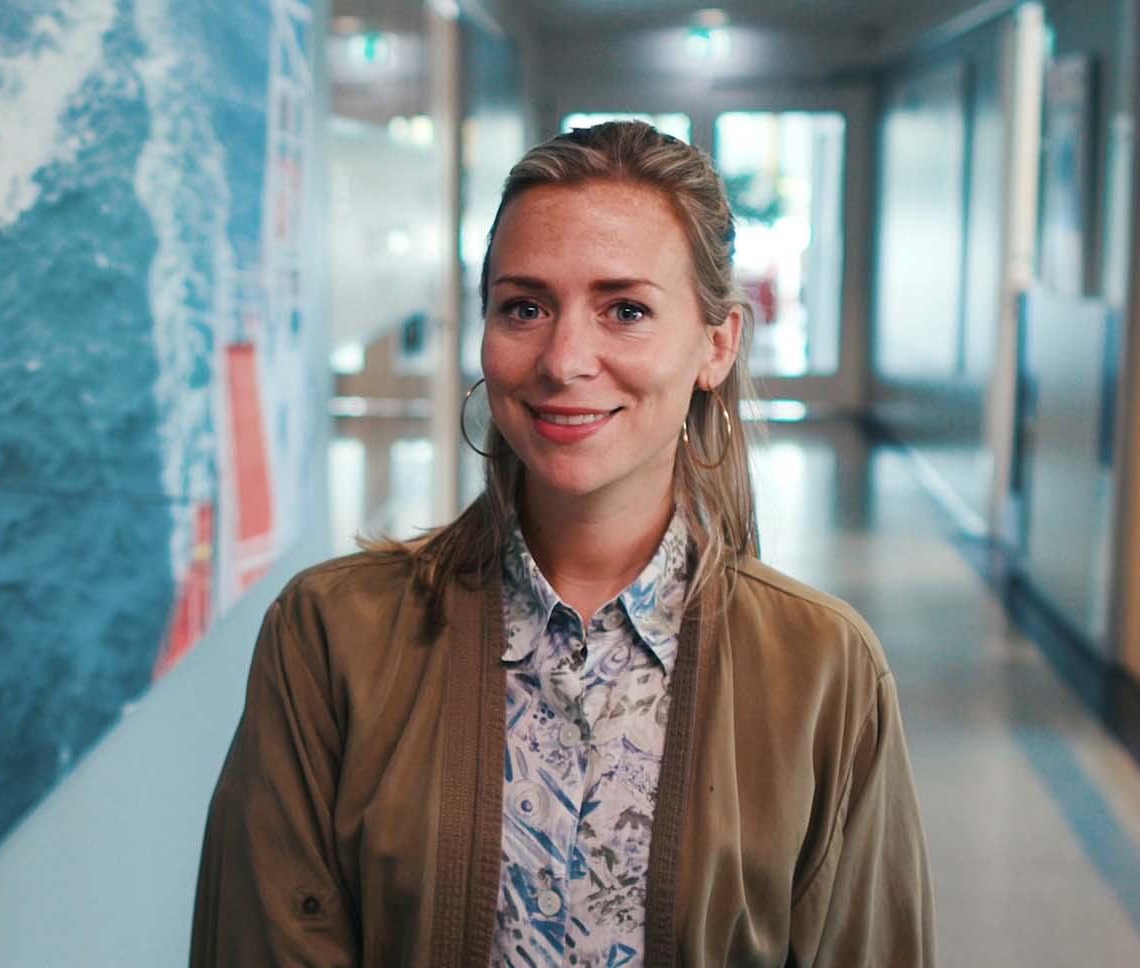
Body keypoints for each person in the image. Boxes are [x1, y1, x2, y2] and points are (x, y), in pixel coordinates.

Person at [189, 120, 926, 967]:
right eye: (526, 308)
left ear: (717, 344)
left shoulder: (826, 670)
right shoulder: (329, 636)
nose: (565, 359)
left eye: (626, 310)